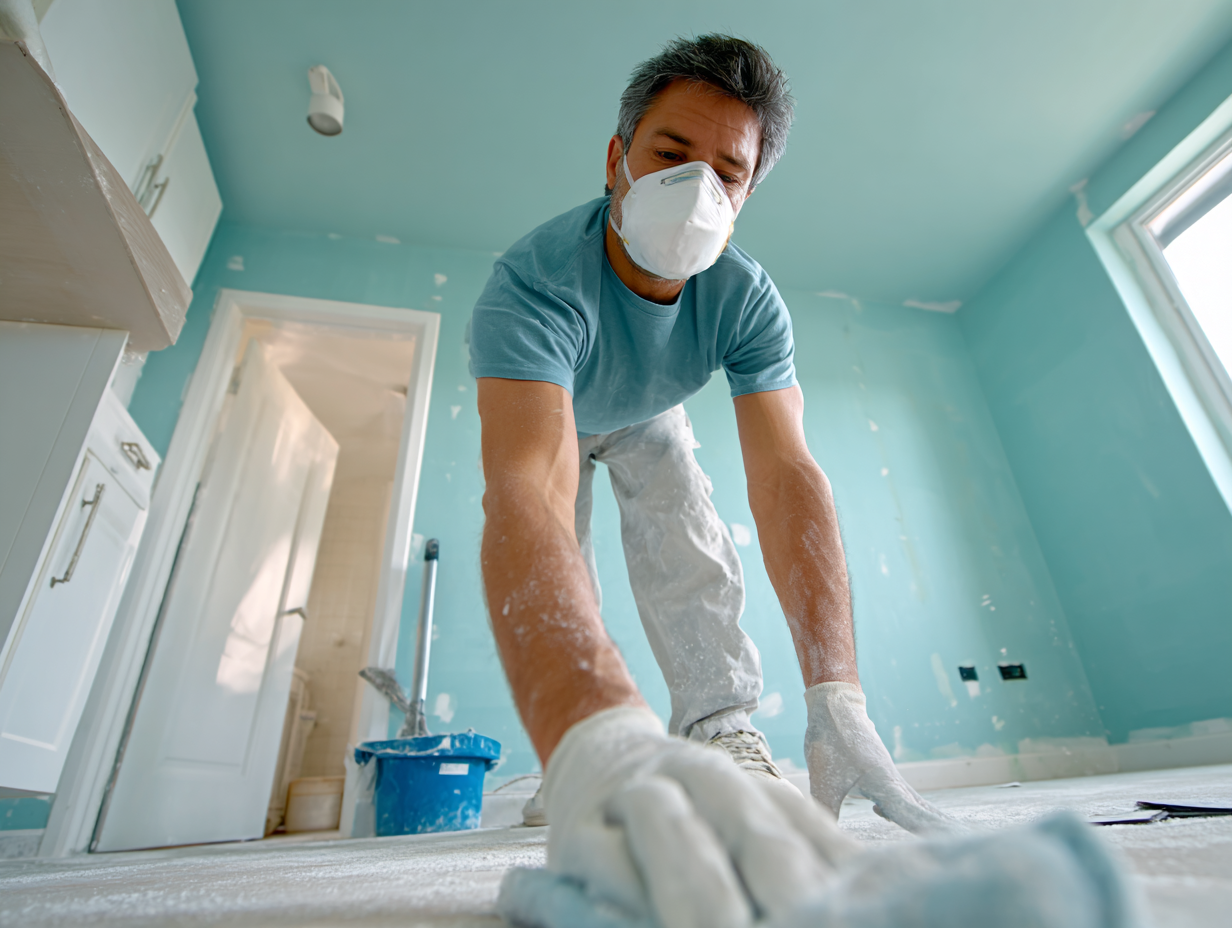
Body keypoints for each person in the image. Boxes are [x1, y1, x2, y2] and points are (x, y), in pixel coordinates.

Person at [469, 34, 956, 924]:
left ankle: (722, 726)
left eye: (727, 173)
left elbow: (788, 474)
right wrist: (595, 745)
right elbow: (524, 490)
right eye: (670, 155)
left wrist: (836, 695)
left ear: (746, 195)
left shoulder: (745, 298)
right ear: (617, 159)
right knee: (560, 549)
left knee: (687, 531)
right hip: (556, 408)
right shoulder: (532, 285)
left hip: (651, 410)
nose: (697, 187)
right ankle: (572, 748)